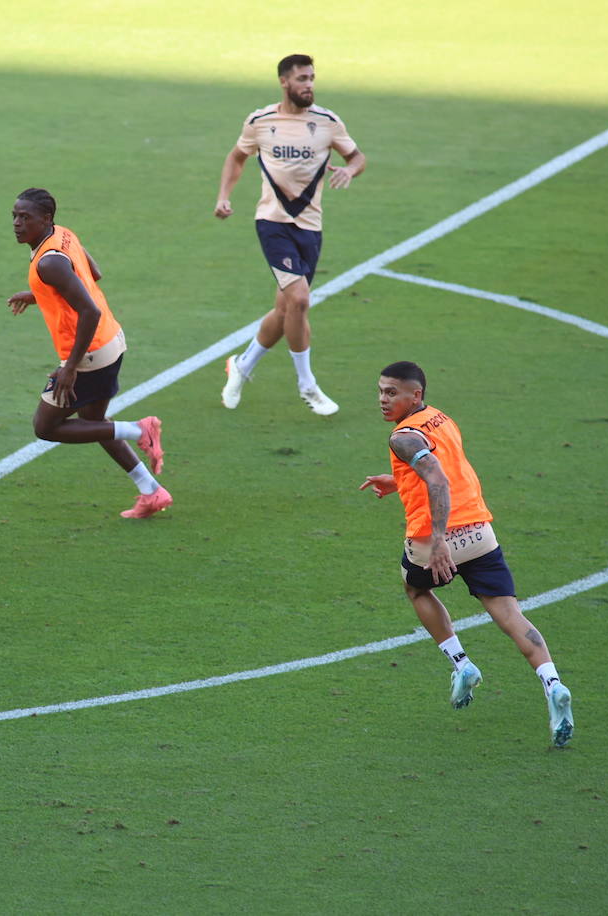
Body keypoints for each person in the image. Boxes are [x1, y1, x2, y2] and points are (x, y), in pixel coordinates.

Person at [359, 361, 573, 747]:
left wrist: (439, 541)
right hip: (479, 530)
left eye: (392, 393)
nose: (382, 400)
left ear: (415, 395)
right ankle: (553, 684)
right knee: (510, 614)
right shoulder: (439, 418)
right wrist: (398, 480)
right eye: (380, 391)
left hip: (435, 536)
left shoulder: (402, 437)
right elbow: (443, 467)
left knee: (416, 589)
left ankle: (462, 665)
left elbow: (438, 478)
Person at [214, 53, 367, 416]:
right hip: (272, 222)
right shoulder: (261, 121)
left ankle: (242, 366)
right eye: (302, 78)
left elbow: (358, 157)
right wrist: (224, 196)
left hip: (310, 227)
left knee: (285, 310)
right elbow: (237, 157)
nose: (309, 84)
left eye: (312, 77)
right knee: (299, 300)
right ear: (284, 82)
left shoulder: (327, 122)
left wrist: (350, 171)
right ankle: (308, 385)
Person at [6, 188, 170, 519]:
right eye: (14, 216)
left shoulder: (49, 261)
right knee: (93, 422)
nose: (17, 223)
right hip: (112, 341)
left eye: (25, 217)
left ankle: (140, 431)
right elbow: (92, 274)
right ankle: (152, 491)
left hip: (90, 354)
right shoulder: (63, 235)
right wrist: (41, 293)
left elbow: (89, 311)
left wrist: (70, 367)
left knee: (46, 427)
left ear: (46, 219)